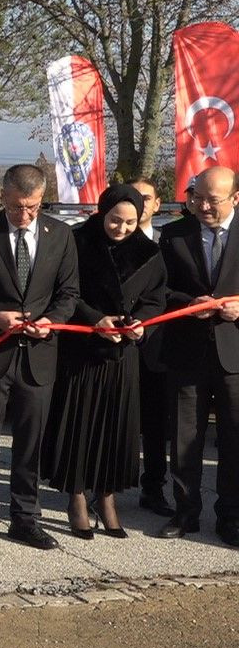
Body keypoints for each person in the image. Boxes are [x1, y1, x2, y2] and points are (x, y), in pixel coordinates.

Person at [0, 164, 79, 551]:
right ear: (2, 196)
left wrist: (52, 321)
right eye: (16, 207)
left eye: (32, 207)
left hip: (38, 355)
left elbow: (68, 292)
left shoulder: (60, 235)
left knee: (31, 441)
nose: (24, 215)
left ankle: (25, 517)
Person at [41, 184, 165, 539]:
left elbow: (156, 300)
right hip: (83, 350)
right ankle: (77, 495)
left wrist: (141, 325)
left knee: (114, 426)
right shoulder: (77, 242)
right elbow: (66, 292)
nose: (122, 229)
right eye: (115, 220)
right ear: (102, 212)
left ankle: (106, 495)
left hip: (122, 355)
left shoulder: (150, 251)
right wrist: (95, 320)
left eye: (130, 222)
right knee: (80, 424)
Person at [156, 166, 239, 546]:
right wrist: (189, 303)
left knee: (234, 438)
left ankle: (231, 517)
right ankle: (185, 512)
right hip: (187, 352)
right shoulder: (173, 235)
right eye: (197, 197)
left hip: (234, 355)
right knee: (184, 437)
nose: (202, 206)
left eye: (212, 200)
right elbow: (159, 293)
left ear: (235, 198)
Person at [129, 178, 174, 517]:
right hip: (112, 347)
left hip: (156, 348)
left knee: (156, 423)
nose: (140, 204)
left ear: (158, 204)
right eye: (134, 198)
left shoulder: (168, 242)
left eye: (146, 198)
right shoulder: (106, 241)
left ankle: (154, 487)